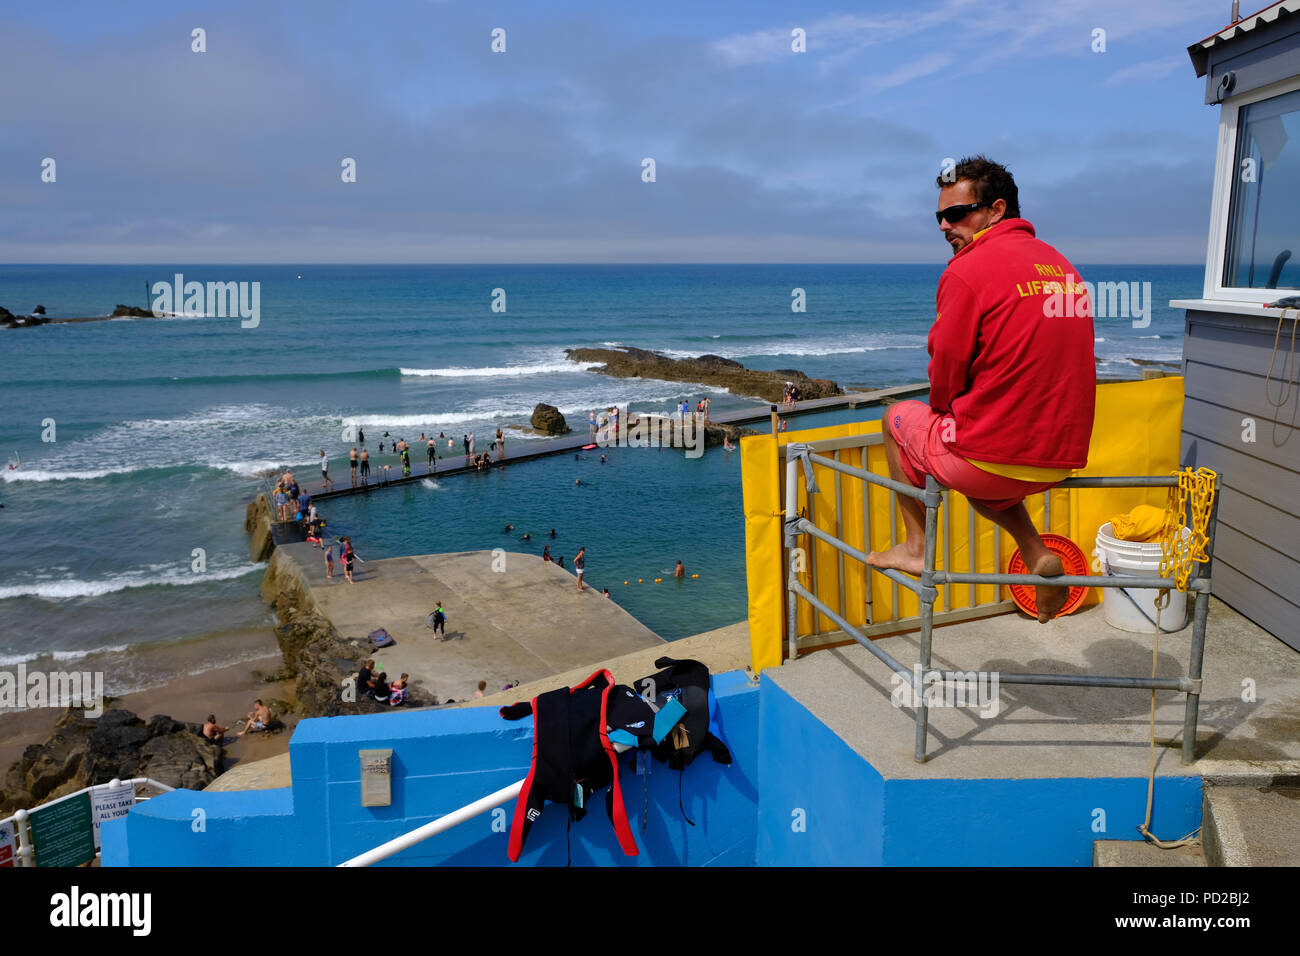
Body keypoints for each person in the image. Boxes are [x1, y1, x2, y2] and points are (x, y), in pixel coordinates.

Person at [866, 156, 1095, 623]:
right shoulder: (1062, 266)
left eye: (957, 214)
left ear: (996, 209)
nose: (945, 226)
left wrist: (943, 409)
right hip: (1057, 459)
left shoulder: (966, 271)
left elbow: (945, 368)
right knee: (980, 465)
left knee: (896, 420)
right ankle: (1035, 553)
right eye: (939, 217)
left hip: (988, 457)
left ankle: (915, 547)